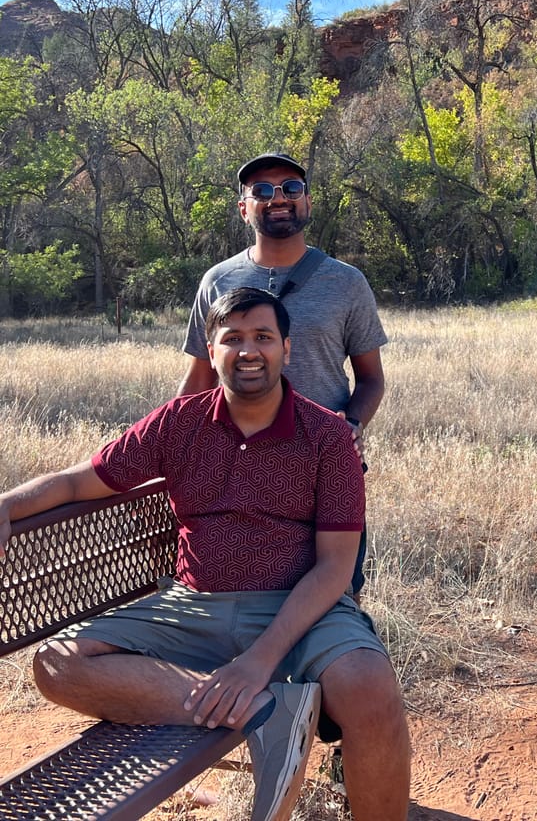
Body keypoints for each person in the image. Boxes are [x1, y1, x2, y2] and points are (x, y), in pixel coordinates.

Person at [0, 287, 410, 821]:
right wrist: (6, 504)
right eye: (232, 338)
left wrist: (258, 661)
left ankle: (269, 711)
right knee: (55, 665)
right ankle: (266, 713)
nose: (248, 350)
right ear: (210, 351)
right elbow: (80, 482)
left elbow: (335, 567)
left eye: (263, 337)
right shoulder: (178, 423)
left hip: (298, 605)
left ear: (286, 349)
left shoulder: (328, 437)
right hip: (192, 605)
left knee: (369, 687)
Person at [178, 151, 387, 597]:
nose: (278, 198)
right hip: (234, 465)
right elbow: (198, 380)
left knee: (336, 591)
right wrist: (173, 444)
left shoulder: (346, 282)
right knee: (233, 590)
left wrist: (349, 426)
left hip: (322, 465)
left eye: (291, 188)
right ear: (244, 208)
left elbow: (371, 378)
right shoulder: (217, 281)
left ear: (307, 202)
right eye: (262, 191)